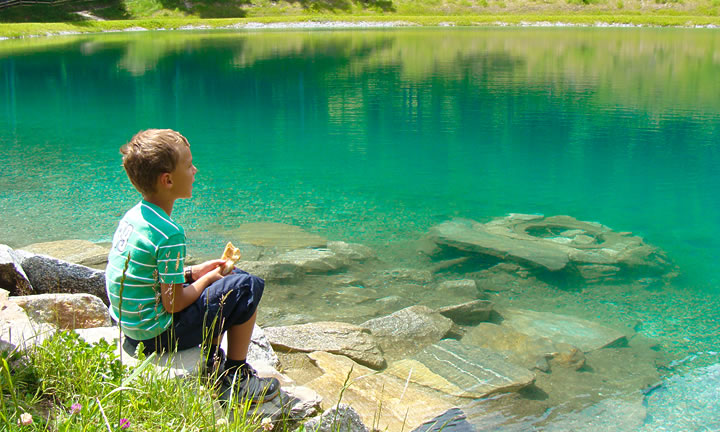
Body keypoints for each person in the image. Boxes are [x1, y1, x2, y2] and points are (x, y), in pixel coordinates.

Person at [105, 128, 279, 404]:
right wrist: (207, 280)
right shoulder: (170, 233)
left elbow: (148, 275)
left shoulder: (135, 217)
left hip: (131, 328)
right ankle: (236, 377)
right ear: (168, 180)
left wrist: (193, 272)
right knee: (246, 286)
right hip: (156, 336)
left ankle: (210, 359)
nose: (195, 169)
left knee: (234, 279)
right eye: (189, 165)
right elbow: (173, 303)